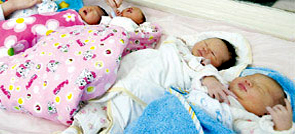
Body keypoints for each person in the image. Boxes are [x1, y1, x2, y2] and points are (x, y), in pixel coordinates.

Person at [60, 31, 251, 133]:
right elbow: (169, 45)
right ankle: (76, 128)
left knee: (119, 116)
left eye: (213, 53)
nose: (205, 50)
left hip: (143, 91)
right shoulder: (177, 47)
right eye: (206, 44)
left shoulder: (200, 67)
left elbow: (206, 77)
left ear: (217, 66)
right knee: (96, 108)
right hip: (133, 74)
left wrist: (210, 78)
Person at [125, 67, 295, 133]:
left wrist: (283, 128)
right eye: (252, 78)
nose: (250, 82)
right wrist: (209, 79)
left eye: (260, 89)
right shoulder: (221, 84)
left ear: (265, 111)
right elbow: (198, 76)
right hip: (173, 110)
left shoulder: (247, 119)